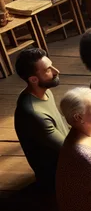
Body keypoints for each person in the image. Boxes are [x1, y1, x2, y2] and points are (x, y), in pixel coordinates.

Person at [14, 49, 69, 189]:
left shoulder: (45, 91)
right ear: (33, 79)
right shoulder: (33, 113)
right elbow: (69, 150)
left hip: (68, 159)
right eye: (47, 70)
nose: (56, 71)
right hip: (58, 176)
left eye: (52, 66)